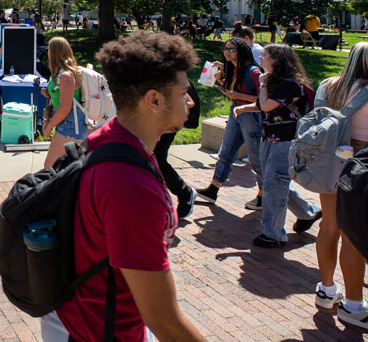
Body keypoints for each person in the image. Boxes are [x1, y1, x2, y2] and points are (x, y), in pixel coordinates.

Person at [47, 31, 204, 342]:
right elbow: (164, 320)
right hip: (103, 330)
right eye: (183, 92)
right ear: (154, 100)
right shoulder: (131, 188)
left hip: (86, 319)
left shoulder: (115, 137)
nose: (190, 100)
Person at [310, 43, 368, 329]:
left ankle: (326, 290)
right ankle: (354, 305)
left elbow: (315, 118)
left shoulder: (329, 85)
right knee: (354, 235)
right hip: (362, 165)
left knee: (329, 225)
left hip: (331, 160)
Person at [234, 44, 320, 248]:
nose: (261, 57)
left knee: (274, 184)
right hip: (270, 138)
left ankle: (273, 234)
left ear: (277, 60)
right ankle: (308, 212)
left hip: (286, 141)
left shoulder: (289, 84)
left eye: (265, 55)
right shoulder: (276, 82)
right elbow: (264, 105)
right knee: (274, 181)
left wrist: (263, 83)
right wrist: (244, 108)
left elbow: (266, 105)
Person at [196, 38, 264, 209]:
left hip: (251, 116)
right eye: (225, 49)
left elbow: (264, 99)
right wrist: (220, 80)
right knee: (225, 152)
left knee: (256, 158)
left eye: (232, 49)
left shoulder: (254, 72)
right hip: (236, 113)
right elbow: (233, 93)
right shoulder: (232, 70)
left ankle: (263, 195)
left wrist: (238, 97)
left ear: (241, 50)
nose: (227, 52)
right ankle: (213, 189)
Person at [154, 79, 201, 220]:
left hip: (166, 122)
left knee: (157, 159)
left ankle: (185, 193)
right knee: (148, 159)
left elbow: (189, 102)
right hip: (149, 121)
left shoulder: (168, 72)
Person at [41, 37, 89, 168]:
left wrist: (49, 126)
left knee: (49, 168)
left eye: (49, 49)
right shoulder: (60, 73)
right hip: (68, 124)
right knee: (65, 170)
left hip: (71, 126)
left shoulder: (66, 76)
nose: (47, 52)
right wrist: (49, 93)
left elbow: (65, 108)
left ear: (55, 52)